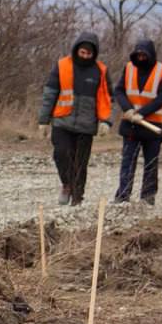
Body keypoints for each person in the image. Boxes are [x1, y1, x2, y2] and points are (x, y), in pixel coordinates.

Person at [37, 32, 112, 206]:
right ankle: (67, 185)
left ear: (94, 54)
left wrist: (105, 121)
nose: (85, 56)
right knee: (60, 154)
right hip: (62, 120)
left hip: (86, 124)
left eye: (89, 54)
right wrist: (43, 120)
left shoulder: (100, 70)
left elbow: (106, 98)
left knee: (81, 162)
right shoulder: (62, 65)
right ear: (76, 50)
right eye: (82, 52)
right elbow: (50, 93)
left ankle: (77, 197)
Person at [113, 39, 162, 205]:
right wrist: (128, 109)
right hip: (131, 126)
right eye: (139, 54)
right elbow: (119, 90)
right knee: (127, 163)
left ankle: (147, 198)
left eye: (145, 55)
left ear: (151, 55)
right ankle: (123, 197)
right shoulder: (129, 68)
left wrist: (142, 113)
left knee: (151, 164)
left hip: (152, 127)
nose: (141, 57)